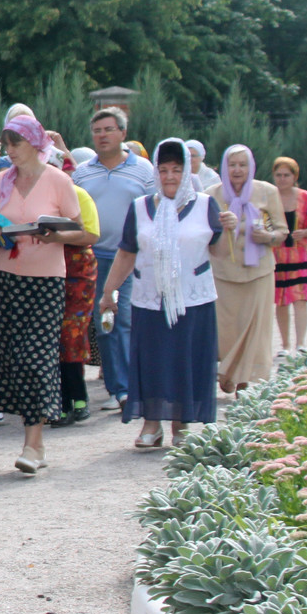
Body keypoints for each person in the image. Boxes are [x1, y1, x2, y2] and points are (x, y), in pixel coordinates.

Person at [100, 138, 228, 448]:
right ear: (156, 172)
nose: (170, 176)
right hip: (150, 299)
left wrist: (230, 229)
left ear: (186, 173)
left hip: (193, 300)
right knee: (152, 362)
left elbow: (220, 252)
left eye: (177, 170)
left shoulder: (205, 205)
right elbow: (127, 252)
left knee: (185, 362)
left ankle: (181, 426)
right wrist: (108, 292)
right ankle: (151, 425)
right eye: (164, 170)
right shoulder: (141, 207)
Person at [0, 115, 83, 475]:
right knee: (13, 359)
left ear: (35, 143)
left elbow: (81, 231)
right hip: (8, 278)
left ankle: (33, 442)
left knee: (35, 358)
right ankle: (34, 440)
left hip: (46, 280)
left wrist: (55, 235)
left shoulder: (58, 180)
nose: (10, 150)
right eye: (7, 144)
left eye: (16, 143)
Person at [72, 107, 155, 414]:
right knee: (103, 322)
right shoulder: (83, 173)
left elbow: (155, 211)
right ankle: (117, 388)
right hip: (94, 258)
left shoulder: (144, 170)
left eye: (108, 129)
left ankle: (131, 387)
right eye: (97, 131)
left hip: (131, 258)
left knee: (124, 319)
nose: (102, 135)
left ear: (123, 133)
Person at [207, 144, 285, 393]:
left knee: (255, 331)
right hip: (222, 274)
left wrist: (268, 237)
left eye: (243, 165)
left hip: (258, 273)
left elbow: (282, 231)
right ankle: (228, 372)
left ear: (251, 167)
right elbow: (203, 234)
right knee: (227, 329)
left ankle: (244, 383)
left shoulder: (267, 191)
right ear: (224, 167)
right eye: (232, 165)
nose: (237, 170)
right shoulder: (211, 195)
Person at [51, 181, 102, 425]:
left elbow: (91, 234)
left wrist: (58, 237)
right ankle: (61, 402)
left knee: (72, 334)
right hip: (47, 268)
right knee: (53, 337)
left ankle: (78, 398)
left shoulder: (80, 195)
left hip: (78, 271)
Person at [271, 156, 307, 355]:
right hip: (277, 256)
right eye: (279, 175)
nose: (282, 179)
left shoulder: (305, 196)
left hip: (300, 255)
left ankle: (300, 344)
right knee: (281, 300)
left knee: (300, 299)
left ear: (294, 177)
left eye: (286, 175)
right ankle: (284, 345)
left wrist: (306, 232)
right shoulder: (270, 196)